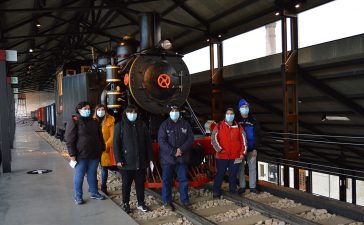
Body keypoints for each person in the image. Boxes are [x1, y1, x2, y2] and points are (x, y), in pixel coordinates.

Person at [113, 104, 153, 213]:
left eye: (135, 112)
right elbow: (116, 145)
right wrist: (118, 160)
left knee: (140, 184)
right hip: (126, 163)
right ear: (126, 113)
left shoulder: (142, 125)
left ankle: (141, 203)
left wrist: (150, 159)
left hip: (140, 162)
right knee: (126, 184)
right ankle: (126, 203)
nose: (133, 114)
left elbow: (148, 143)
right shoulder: (120, 126)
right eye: (130, 112)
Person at [65, 101, 106, 205]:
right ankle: (78, 197)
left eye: (88, 109)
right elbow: (69, 140)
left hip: (94, 154)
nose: (87, 110)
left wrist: (102, 148)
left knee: (92, 174)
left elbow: (100, 136)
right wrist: (72, 155)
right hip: (81, 155)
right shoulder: (74, 121)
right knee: (79, 175)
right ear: (79, 110)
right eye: (85, 109)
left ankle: (94, 193)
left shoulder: (94, 121)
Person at [158, 105, 194, 210]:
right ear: (169, 112)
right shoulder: (164, 125)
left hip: (182, 157)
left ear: (179, 112)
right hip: (168, 158)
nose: (174, 112)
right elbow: (161, 141)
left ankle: (185, 200)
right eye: (173, 110)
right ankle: (166, 201)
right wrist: (174, 151)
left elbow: (190, 138)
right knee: (167, 180)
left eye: (176, 110)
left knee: (183, 180)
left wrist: (181, 149)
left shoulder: (185, 124)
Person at [211, 107, 246, 198]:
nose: (229, 115)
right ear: (225, 115)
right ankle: (216, 191)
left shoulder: (238, 127)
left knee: (233, 174)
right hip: (222, 156)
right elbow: (213, 139)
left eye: (231, 114)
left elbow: (244, 141)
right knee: (220, 174)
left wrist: (243, 153)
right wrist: (220, 150)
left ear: (234, 115)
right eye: (228, 114)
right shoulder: (219, 126)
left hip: (235, 156)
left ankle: (232, 191)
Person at [237, 99, 261, 193]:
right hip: (240, 150)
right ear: (239, 109)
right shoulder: (236, 121)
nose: (244, 109)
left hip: (251, 149)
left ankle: (252, 187)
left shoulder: (254, 120)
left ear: (249, 108)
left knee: (252, 167)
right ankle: (242, 186)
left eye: (246, 107)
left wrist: (255, 148)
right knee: (240, 168)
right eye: (242, 107)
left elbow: (258, 135)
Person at [93, 104, 116, 195]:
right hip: (93, 149)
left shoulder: (110, 120)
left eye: (102, 109)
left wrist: (105, 146)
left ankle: (103, 187)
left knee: (104, 169)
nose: (101, 111)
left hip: (104, 149)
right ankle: (93, 186)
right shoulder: (92, 120)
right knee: (93, 169)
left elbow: (112, 136)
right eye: (99, 109)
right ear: (96, 110)